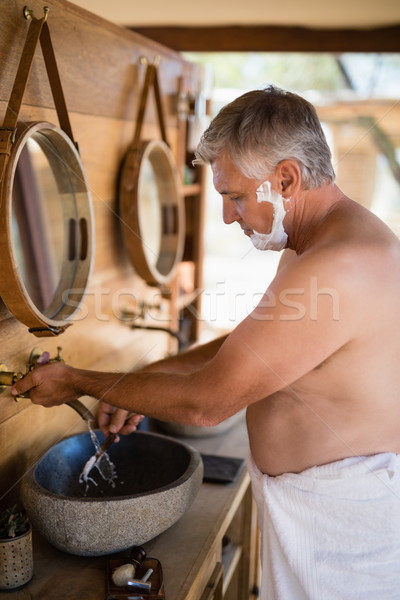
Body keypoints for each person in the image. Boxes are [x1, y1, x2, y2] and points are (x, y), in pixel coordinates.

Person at [13, 86, 400, 599]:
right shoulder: (317, 244)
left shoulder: (339, 262)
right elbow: (243, 349)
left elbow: (207, 403)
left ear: (286, 178)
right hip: (322, 512)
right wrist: (139, 383)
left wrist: (77, 381)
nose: (227, 216)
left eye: (235, 196)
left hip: (343, 535)